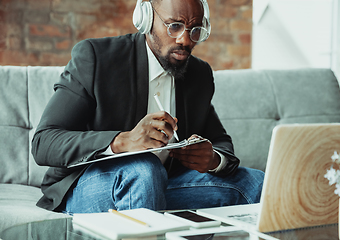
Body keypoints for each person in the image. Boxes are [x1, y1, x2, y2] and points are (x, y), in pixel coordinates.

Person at [31, 0, 264, 214]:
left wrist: (212, 158)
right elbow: (44, 141)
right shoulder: (97, 58)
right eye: (175, 26)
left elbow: (220, 140)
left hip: (162, 184)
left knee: (256, 182)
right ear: (145, 17)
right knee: (144, 170)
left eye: (195, 30)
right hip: (87, 184)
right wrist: (122, 141)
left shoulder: (198, 74)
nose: (185, 40)